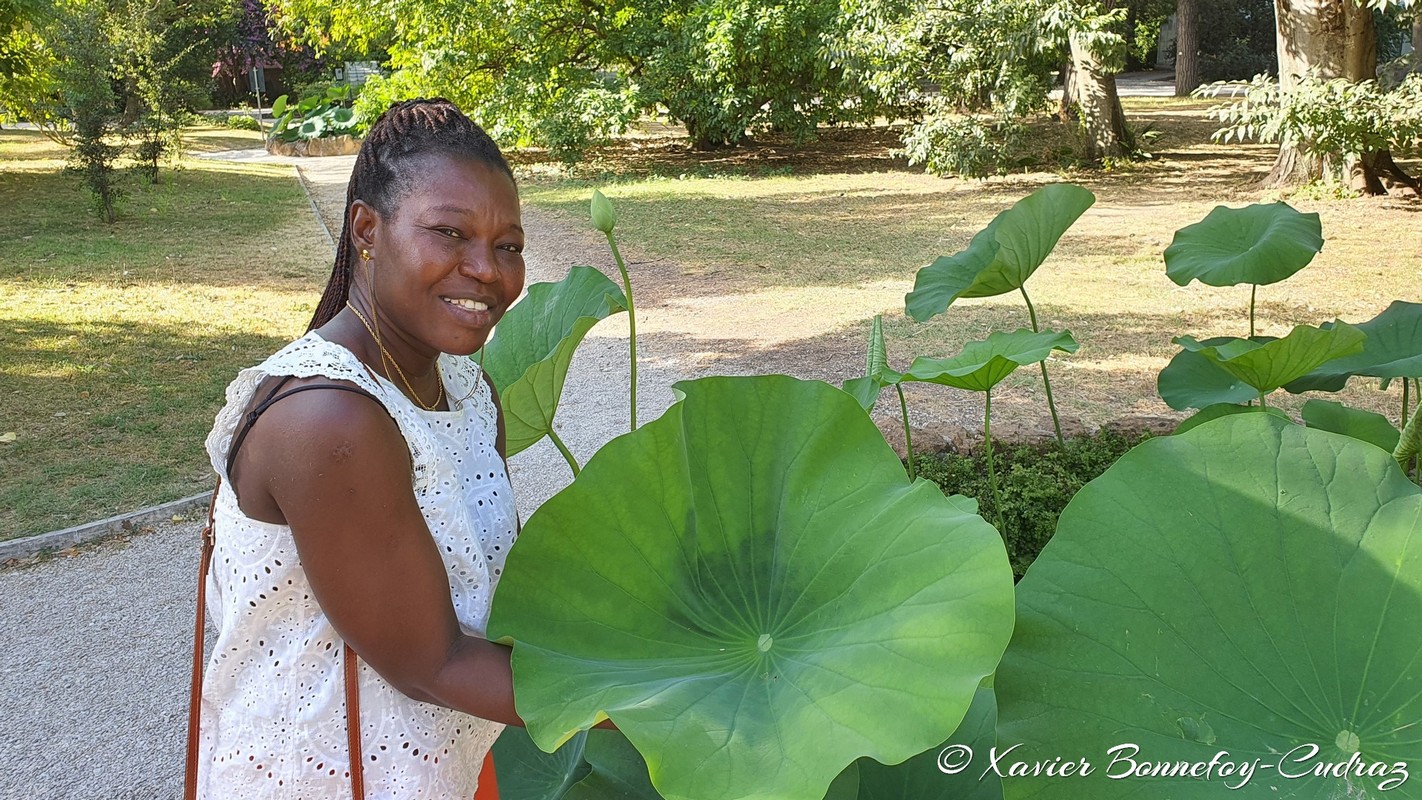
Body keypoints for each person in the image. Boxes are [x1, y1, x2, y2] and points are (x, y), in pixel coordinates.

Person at [192, 98, 573, 798]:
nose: (488, 270)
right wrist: (661, 690)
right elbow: (434, 663)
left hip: (442, 763)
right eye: (450, 233)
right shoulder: (329, 419)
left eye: (509, 245)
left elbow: (499, 596)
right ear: (367, 229)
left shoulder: (465, 390)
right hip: (325, 777)